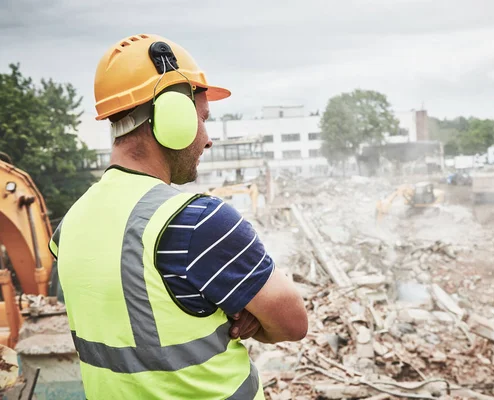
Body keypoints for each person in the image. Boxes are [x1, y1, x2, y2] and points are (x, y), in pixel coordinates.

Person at [49, 34, 308, 400]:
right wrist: (245, 312)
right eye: (203, 118)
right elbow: (293, 323)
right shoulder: (196, 221)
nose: (207, 139)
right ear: (173, 114)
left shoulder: (68, 227)